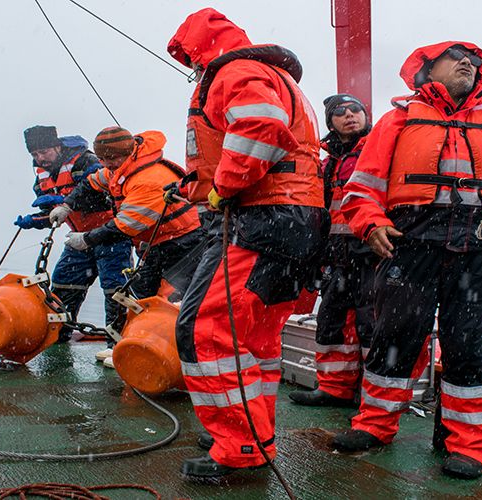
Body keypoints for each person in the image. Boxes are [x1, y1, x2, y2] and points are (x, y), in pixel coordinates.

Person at [332, 41, 482, 480]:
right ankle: (374, 424)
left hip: (481, 240)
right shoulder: (397, 120)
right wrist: (370, 223)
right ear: (427, 70)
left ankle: (475, 445)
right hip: (410, 237)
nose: (468, 63)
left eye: (475, 61)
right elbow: (361, 187)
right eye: (456, 57)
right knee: (396, 333)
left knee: (470, 341)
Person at [167, 8, 329, 480]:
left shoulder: (234, 71)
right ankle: (251, 435)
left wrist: (225, 186)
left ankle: (240, 446)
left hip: (263, 215)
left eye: (190, 58)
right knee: (255, 338)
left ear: (200, 47)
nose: (191, 69)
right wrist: (200, 187)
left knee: (204, 330)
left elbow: (261, 126)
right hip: (295, 218)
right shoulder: (267, 74)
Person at [289, 94, 376, 408]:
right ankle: (334, 389)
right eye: (340, 112)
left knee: (372, 324)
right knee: (332, 321)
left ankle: (372, 396)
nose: (350, 115)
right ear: (330, 123)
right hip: (338, 257)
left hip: (373, 253)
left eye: (356, 110)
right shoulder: (326, 163)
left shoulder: (380, 150)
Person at [53, 126, 202, 304]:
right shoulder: (119, 170)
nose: (107, 164)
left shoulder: (148, 180)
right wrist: (67, 206)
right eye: (102, 159)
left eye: (112, 158)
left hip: (184, 243)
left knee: (169, 300)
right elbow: (90, 183)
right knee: (143, 293)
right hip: (156, 245)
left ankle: (168, 329)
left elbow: (125, 226)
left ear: (128, 152)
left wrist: (86, 239)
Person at [15, 125, 133, 343]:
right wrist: (36, 220)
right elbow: (52, 213)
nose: (40, 158)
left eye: (44, 152)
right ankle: (58, 337)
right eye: (35, 154)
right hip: (78, 238)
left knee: (115, 291)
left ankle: (117, 344)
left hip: (111, 235)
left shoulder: (85, 162)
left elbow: (106, 194)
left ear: (57, 146)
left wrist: (66, 202)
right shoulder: (41, 177)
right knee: (62, 286)